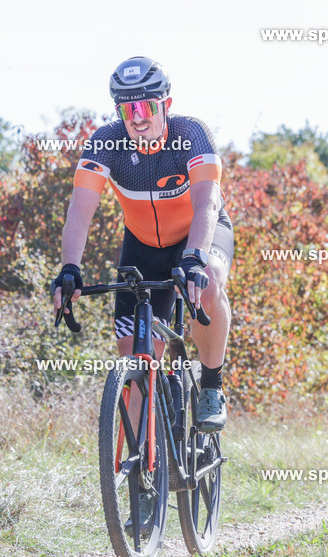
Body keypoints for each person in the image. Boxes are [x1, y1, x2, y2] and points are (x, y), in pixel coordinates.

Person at [51, 56, 234, 433]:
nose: (136, 117)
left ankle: (212, 387)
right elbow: (80, 210)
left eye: (145, 106)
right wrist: (70, 268)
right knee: (136, 368)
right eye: (126, 108)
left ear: (165, 104)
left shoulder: (192, 133)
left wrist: (195, 259)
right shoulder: (106, 142)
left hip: (198, 235)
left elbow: (207, 203)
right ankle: (138, 477)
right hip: (142, 246)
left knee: (211, 281)